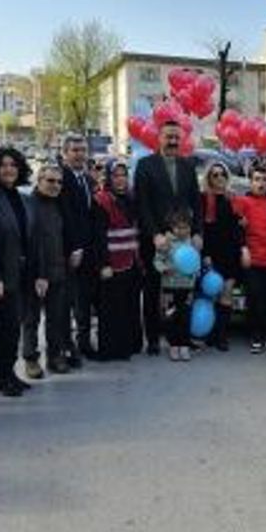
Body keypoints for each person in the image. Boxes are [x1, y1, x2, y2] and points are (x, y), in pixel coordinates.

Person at [133, 120, 202, 355]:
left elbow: (196, 202)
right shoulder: (144, 165)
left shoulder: (188, 165)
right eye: (168, 136)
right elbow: (142, 204)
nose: (172, 141)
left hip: (183, 242)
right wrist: (154, 234)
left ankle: (179, 338)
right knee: (152, 291)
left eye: (176, 137)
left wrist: (197, 233)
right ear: (158, 138)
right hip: (157, 241)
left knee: (182, 293)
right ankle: (152, 338)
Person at [0, 146, 34, 396]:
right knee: (8, 327)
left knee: (15, 326)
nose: (9, 169)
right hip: (3, 275)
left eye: (13, 165)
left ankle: (10, 374)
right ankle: (3, 378)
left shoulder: (22, 197)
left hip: (23, 272)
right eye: (3, 165)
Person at [21, 164, 75, 377]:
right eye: (50, 181)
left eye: (59, 182)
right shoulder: (28, 204)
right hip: (34, 273)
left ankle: (55, 356)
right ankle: (30, 359)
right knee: (31, 319)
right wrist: (38, 274)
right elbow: (31, 243)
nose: (55, 185)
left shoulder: (59, 204)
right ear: (39, 180)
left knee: (57, 318)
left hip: (59, 271)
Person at [92, 159, 143, 361]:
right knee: (112, 309)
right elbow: (98, 236)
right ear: (109, 178)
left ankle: (131, 345)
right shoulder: (101, 200)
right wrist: (103, 264)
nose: (121, 180)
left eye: (124, 175)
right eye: (116, 175)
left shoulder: (131, 198)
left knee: (131, 306)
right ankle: (113, 349)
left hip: (132, 261)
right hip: (112, 263)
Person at [233, 164, 266, 356]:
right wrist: (243, 248)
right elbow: (236, 230)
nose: (260, 183)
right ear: (250, 182)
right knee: (253, 298)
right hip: (251, 258)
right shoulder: (242, 201)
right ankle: (255, 336)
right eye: (256, 180)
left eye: (264, 179)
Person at [58, 134, 98, 364]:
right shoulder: (60, 179)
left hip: (89, 251)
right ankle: (66, 347)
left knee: (84, 302)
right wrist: (74, 247)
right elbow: (66, 217)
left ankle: (84, 343)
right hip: (69, 252)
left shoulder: (88, 180)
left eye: (83, 150)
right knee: (66, 304)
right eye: (74, 150)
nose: (80, 154)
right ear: (65, 153)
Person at [201, 161, 243, 351]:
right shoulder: (203, 199)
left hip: (231, 253)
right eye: (214, 175)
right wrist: (206, 254)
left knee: (226, 293)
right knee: (211, 293)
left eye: (222, 174)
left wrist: (242, 248)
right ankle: (210, 332)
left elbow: (238, 228)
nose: (219, 178)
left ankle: (222, 336)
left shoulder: (233, 199)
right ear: (209, 178)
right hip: (212, 253)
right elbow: (202, 230)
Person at [154, 208, 199, 362]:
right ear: (172, 227)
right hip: (170, 287)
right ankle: (173, 345)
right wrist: (164, 269)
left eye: (185, 227)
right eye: (178, 227)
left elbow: (195, 261)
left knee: (185, 317)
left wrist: (196, 272)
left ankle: (184, 346)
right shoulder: (166, 243)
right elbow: (157, 260)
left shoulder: (192, 243)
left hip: (187, 287)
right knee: (171, 317)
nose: (182, 231)